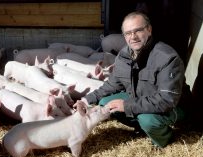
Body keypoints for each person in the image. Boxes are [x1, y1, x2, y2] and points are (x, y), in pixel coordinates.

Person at [77, 11, 188, 148]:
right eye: (128, 33)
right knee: (106, 103)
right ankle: (144, 129)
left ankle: (165, 140)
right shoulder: (124, 56)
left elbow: (167, 100)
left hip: (174, 107)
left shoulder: (167, 58)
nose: (133, 37)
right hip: (141, 98)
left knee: (148, 120)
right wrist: (86, 100)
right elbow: (112, 84)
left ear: (149, 30)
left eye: (138, 31)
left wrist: (127, 106)